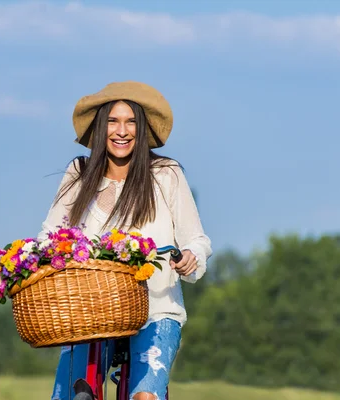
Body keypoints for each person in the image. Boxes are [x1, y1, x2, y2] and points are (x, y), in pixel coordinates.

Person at [38, 81, 212, 400]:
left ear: (141, 129)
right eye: (113, 122)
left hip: (156, 308)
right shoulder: (79, 173)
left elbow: (197, 239)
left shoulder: (166, 174)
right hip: (92, 313)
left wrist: (189, 257)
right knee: (73, 395)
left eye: (131, 122)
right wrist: (41, 259)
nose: (122, 131)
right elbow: (49, 235)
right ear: (101, 127)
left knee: (146, 396)